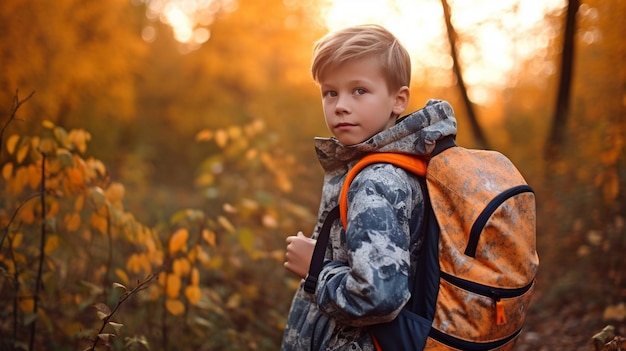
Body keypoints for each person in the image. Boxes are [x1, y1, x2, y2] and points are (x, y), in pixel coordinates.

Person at [281, 24, 457, 350]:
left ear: (398, 100)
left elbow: (380, 296)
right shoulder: (408, 163)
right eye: (330, 92)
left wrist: (315, 268)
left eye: (359, 90)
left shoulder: (376, 181)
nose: (340, 106)